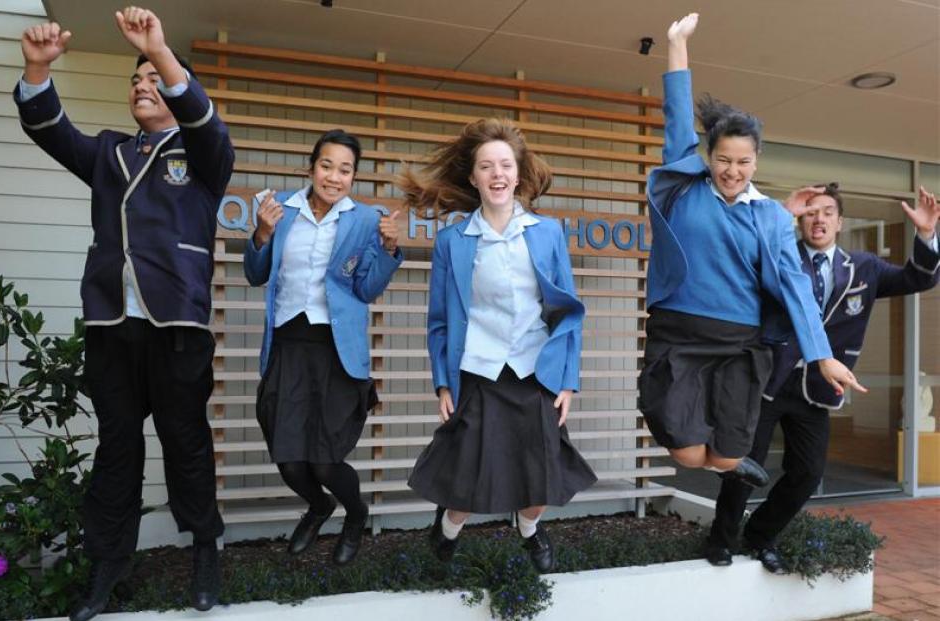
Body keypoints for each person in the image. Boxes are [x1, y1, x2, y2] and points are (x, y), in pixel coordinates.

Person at [14, 7, 234, 620]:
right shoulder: (109, 153)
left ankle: (205, 546)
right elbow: (51, 129)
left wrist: (160, 54)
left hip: (178, 328)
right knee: (117, 448)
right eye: (133, 81)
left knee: (185, 444)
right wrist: (36, 69)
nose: (141, 86)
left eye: (151, 80)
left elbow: (203, 117)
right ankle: (110, 561)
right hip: (113, 325)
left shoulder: (204, 153)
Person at [638, 13, 865, 489]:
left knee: (721, 461)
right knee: (686, 452)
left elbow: (794, 286)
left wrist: (822, 356)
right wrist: (677, 44)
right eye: (722, 159)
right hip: (679, 333)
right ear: (708, 155)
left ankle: (730, 460)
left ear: (756, 160)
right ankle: (713, 453)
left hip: (740, 344)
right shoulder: (684, 186)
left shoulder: (773, 218)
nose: (732, 170)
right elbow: (677, 114)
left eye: (743, 161)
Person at [707, 183, 939, 571]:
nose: (819, 219)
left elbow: (918, 279)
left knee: (808, 472)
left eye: (827, 211)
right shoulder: (778, 256)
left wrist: (927, 234)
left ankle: (760, 536)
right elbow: (739, 254)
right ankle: (721, 540)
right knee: (743, 465)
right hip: (767, 380)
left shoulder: (864, 267)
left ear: (839, 221)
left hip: (818, 388)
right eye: (811, 211)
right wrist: (780, 214)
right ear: (801, 219)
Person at [401, 118, 597, 573]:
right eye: (486, 166)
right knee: (467, 486)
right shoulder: (452, 241)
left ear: (518, 172)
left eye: (505, 165)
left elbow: (568, 311)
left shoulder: (546, 233)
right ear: (473, 177)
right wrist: (442, 385)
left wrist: (567, 380)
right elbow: (438, 321)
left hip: (535, 373)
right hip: (478, 373)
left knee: (541, 481)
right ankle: (446, 533)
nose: (497, 174)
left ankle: (529, 530)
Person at [244, 129, 402, 566]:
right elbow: (255, 275)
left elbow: (367, 289)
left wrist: (389, 248)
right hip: (288, 347)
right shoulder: (282, 213)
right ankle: (319, 506)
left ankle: (355, 513)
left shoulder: (367, 221)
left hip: (336, 352)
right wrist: (260, 233)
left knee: (325, 461)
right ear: (311, 167)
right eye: (327, 165)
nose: (334, 176)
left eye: (345, 169)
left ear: (354, 176)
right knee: (291, 460)